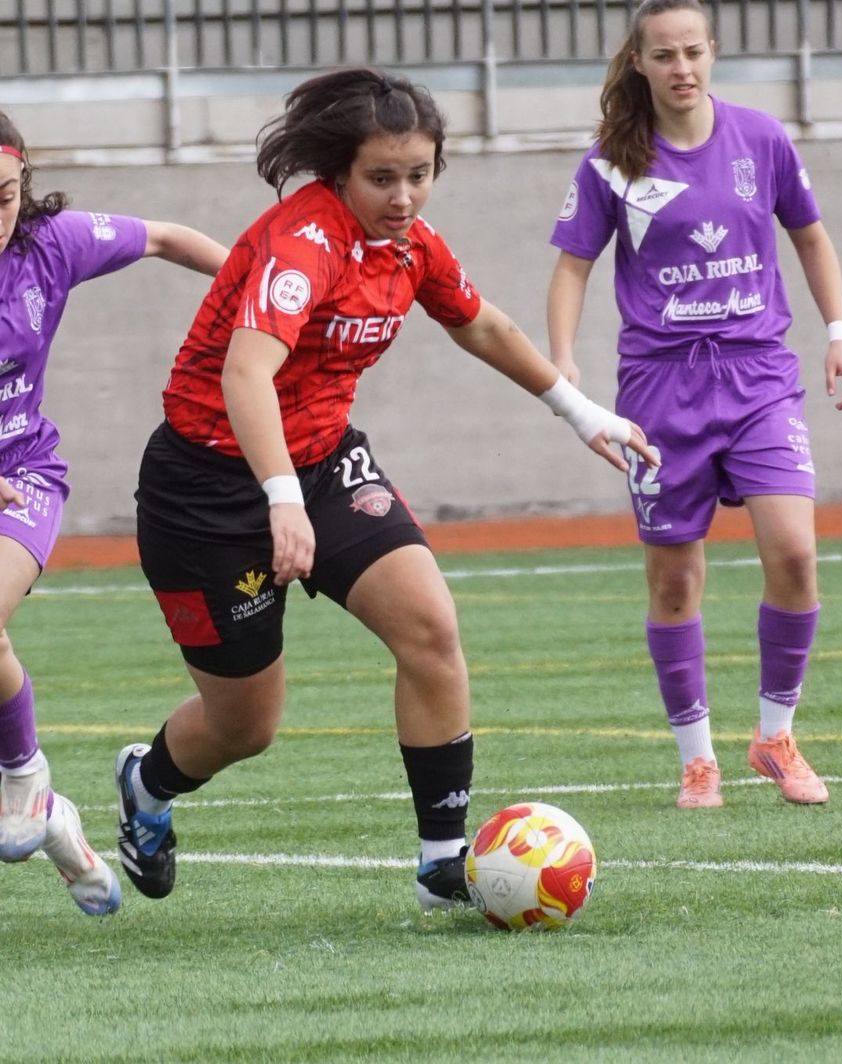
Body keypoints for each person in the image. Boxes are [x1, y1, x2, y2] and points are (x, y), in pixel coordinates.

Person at [113, 67, 654, 911]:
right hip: (206, 492)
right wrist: (280, 501)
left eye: (419, 174)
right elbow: (245, 375)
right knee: (244, 727)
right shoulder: (306, 243)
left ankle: (444, 861)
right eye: (382, 177)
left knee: (431, 627)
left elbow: (480, 322)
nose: (404, 197)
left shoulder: (409, 246)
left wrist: (580, 413)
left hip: (324, 463)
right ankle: (146, 787)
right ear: (339, 171)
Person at [0, 86, 227, 915]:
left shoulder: (51, 245)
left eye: (7, 197)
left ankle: (26, 780)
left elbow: (163, 237)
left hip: (17, 469)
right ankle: (57, 826)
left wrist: (261, 291)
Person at [546, 0, 842, 810]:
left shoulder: (762, 137)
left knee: (793, 554)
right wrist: (563, 362)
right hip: (659, 388)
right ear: (641, 63)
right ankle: (697, 760)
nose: (681, 67)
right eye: (664, 55)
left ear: (712, 54)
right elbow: (574, 265)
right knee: (675, 579)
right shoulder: (612, 161)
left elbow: (812, 237)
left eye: (693, 51)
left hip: (759, 375)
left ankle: (775, 736)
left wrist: (839, 334)